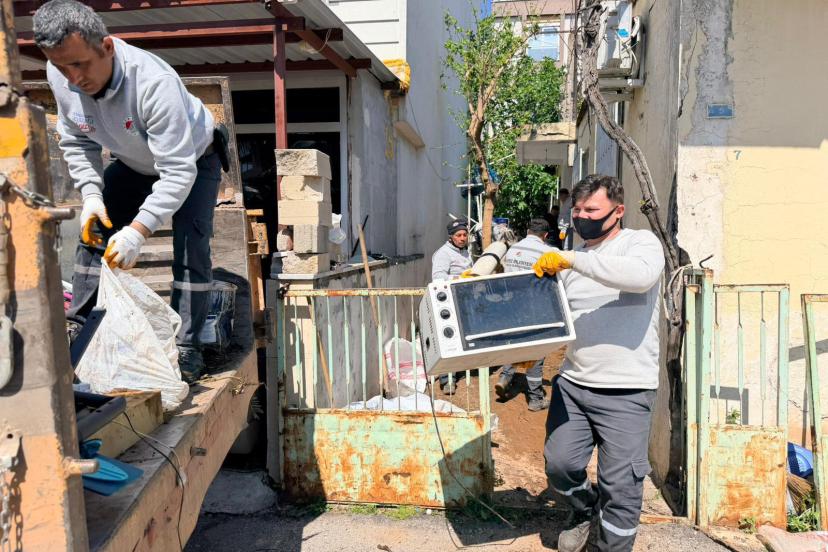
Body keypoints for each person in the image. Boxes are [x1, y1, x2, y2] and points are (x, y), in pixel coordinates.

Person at [33, 0, 224, 381]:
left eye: (80, 65)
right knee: (96, 230)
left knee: (192, 245)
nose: (73, 79)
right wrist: (91, 195)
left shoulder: (153, 82)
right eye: (61, 67)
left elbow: (177, 172)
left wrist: (138, 231)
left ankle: (188, 347)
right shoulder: (61, 74)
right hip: (134, 161)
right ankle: (80, 328)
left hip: (193, 159)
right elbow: (77, 141)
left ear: (106, 47)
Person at [532, 175, 664, 552]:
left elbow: (641, 277)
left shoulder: (639, 244)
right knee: (559, 465)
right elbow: (557, 320)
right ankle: (586, 508)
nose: (581, 216)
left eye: (591, 209)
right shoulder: (569, 262)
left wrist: (573, 259)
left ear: (618, 211)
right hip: (574, 384)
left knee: (621, 488)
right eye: (577, 209)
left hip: (627, 390)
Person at [495, 218, 554, 411]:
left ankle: (505, 377)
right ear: (545, 235)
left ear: (528, 231)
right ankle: (535, 399)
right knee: (535, 352)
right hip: (533, 308)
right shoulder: (547, 252)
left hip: (512, 305)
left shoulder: (513, 249)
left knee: (513, 343)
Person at [430, 217, 473, 394]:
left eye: (464, 235)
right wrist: (460, 278)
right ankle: (447, 380)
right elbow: (437, 278)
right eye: (458, 235)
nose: (462, 238)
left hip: (464, 301)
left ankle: (459, 369)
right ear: (451, 237)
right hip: (449, 303)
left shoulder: (465, 252)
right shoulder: (443, 254)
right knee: (450, 340)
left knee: (462, 338)